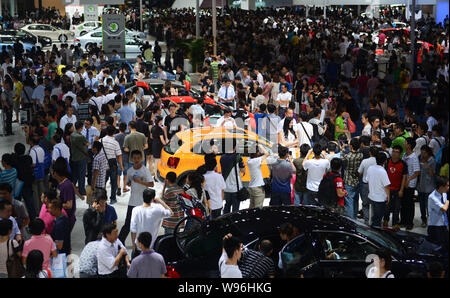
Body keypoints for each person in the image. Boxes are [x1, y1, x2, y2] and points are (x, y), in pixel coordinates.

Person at [118, 150, 154, 246]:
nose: (137, 160)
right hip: (132, 201)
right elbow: (129, 183)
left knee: (143, 225)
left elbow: (152, 184)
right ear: (132, 159)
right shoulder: (130, 171)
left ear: (141, 158)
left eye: (138, 158)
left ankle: (144, 244)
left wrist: (140, 182)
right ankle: (120, 242)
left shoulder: (145, 170)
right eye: (135, 158)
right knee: (127, 224)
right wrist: (129, 183)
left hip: (143, 202)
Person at [130, 188, 172, 257]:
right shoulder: (158, 209)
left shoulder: (135, 210)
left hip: (138, 245)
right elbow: (171, 213)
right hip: (151, 246)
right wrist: (161, 202)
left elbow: (133, 229)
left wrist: (133, 244)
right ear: (153, 198)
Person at [383, 146, 407, 230]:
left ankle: (395, 223)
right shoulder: (387, 161)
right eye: (393, 151)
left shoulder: (403, 164)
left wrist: (401, 190)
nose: (394, 153)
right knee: (387, 207)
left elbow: (404, 177)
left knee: (397, 208)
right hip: (388, 189)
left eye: (396, 152)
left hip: (397, 189)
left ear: (400, 154)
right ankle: (385, 220)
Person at [220, 139, 245, 214]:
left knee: (227, 207)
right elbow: (243, 171)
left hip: (226, 188)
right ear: (235, 146)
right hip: (236, 188)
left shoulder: (222, 157)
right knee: (235, 210)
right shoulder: (238, 157)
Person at [340, 138, 364, 218]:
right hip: (357, 180)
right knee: (355, 200)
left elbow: (341, 158)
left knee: (349, 202)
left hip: (348, 181)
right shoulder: (361, 155)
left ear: (351, 146)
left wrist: (343, 149)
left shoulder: (348, 156)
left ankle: (351, 220)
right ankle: (355, 218)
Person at [101, 125, 124, 205]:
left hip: (103, 165)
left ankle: (102, 197)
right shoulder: (115, 143)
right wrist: (121, 166)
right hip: (113, 165)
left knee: (102, 182)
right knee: (114, 183)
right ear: (114, 132)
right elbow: (119, 155)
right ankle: (113, 199)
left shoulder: (101, 140)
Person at [366, 152, 391, 228]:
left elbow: (367, 180)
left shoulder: (370, 168)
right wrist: (388, 196)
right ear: (385, 161)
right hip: (380, 198)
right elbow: (386, 186)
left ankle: (373, 228)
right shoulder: (382, 171)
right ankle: (376, 233)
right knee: (378, 218)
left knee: (374, 216)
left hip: (372, 196)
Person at [401, 138, 421, 230]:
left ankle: (409, 222)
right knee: (403, 202)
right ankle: (403, 220)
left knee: (409, 203)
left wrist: (408, 180)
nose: (404, 143)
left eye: (405, 142)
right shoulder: (405, 155)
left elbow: (417, 172)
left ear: (409, 145)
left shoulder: (414, 157)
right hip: (403, 182)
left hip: (410, 183)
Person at [427, 176, 449, 250]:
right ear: (441, 187)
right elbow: (444, 208)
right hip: (435, 227)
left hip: (443, 225)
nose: (448, 187)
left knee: (445, 247)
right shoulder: (432, 197)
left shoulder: (444, 194)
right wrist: (448, 201)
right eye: (447, 185)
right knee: (436, 249)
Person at [358, 147, 379, 225]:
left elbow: (359, 172)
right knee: (374, 204)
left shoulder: (365, 161)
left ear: (370, 153)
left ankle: (366, 222)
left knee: (365, 204)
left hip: (365, 185)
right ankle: (373, 222)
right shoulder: (378, 161)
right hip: (375, 185)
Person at [417, 145, 437, 228]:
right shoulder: (419, 159)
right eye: (421, 153)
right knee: (421, 205)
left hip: (429, 187)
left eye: (424, 153)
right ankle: (423, 220)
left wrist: (427, 166)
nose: (422, 154)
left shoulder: (432, 160)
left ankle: (431, 221)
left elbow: (433, 174)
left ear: (428, 153)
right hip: (420, 186)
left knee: (428, 205)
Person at [70, 121, 89, 200]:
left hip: (74, 157)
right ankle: (82, 190)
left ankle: (72, 189)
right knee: (81, 175)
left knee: (75, 175)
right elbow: (88, 144)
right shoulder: (80, 136)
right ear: (81, 127)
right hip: (81, 157)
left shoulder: (72, 135)